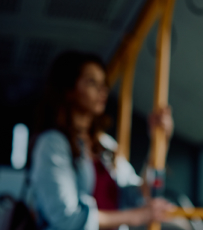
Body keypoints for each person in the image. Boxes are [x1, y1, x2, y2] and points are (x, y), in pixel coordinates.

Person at [29, 51, 175, 229]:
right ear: (68, 89)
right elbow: (67, 220)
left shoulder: (105, 145)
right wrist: (135, 216)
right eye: (92, 82)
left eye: (103, 83)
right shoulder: (52, 144)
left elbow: (138, 194)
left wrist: (159, 143)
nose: (102, 90)